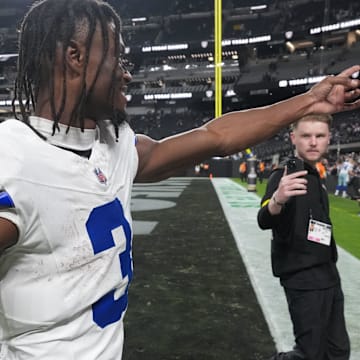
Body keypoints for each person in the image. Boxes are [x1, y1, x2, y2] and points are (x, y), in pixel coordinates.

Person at [0, 0, 360, 358]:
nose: (126, 73)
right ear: (75, 57)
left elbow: (215, 136)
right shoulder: (14, 159)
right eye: (116, 58)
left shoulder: (114, 145)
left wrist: (309, 102)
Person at [257, 114, 350, 360]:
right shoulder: (284, 175)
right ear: (293, 139)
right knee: (310, 354)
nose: (313, 142)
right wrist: (278, 199)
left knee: (338, 352)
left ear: (328, 139)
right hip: (303, 277)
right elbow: (264, 219)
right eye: (306, 136)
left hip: (328, 273)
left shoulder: (314, 175)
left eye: (319, 136)